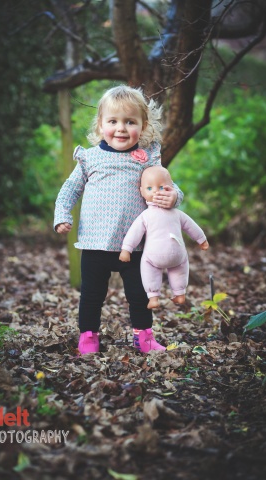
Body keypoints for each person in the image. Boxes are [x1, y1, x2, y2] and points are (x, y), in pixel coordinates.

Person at [54, 85, 184, 354]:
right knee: (92, 296)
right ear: (101, 125)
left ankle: (144, 338)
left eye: (130, 122)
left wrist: (174, 197)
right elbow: (70, 190)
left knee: (140, 295)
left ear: (143, 125)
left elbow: (168, 185)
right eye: (113, 121)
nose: (121, 128)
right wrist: (62, 215)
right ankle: (88, 338)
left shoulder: (147, 158)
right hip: (95, 243)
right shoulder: (90, 159)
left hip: (136, 245)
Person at [119, 166, 209, 308]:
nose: (155, 191)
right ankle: (166, 295)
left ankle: (166, 295)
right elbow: (135, 233)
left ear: (171, 188)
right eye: (149, 189)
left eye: (161, 187)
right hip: (175, 253)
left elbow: (190, 226)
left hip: (154, 255)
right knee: (175, 269)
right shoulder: (153, 215)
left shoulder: (161, 214)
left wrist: (126, 250)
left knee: (150, 269)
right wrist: (201, 240)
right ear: (142, 192)